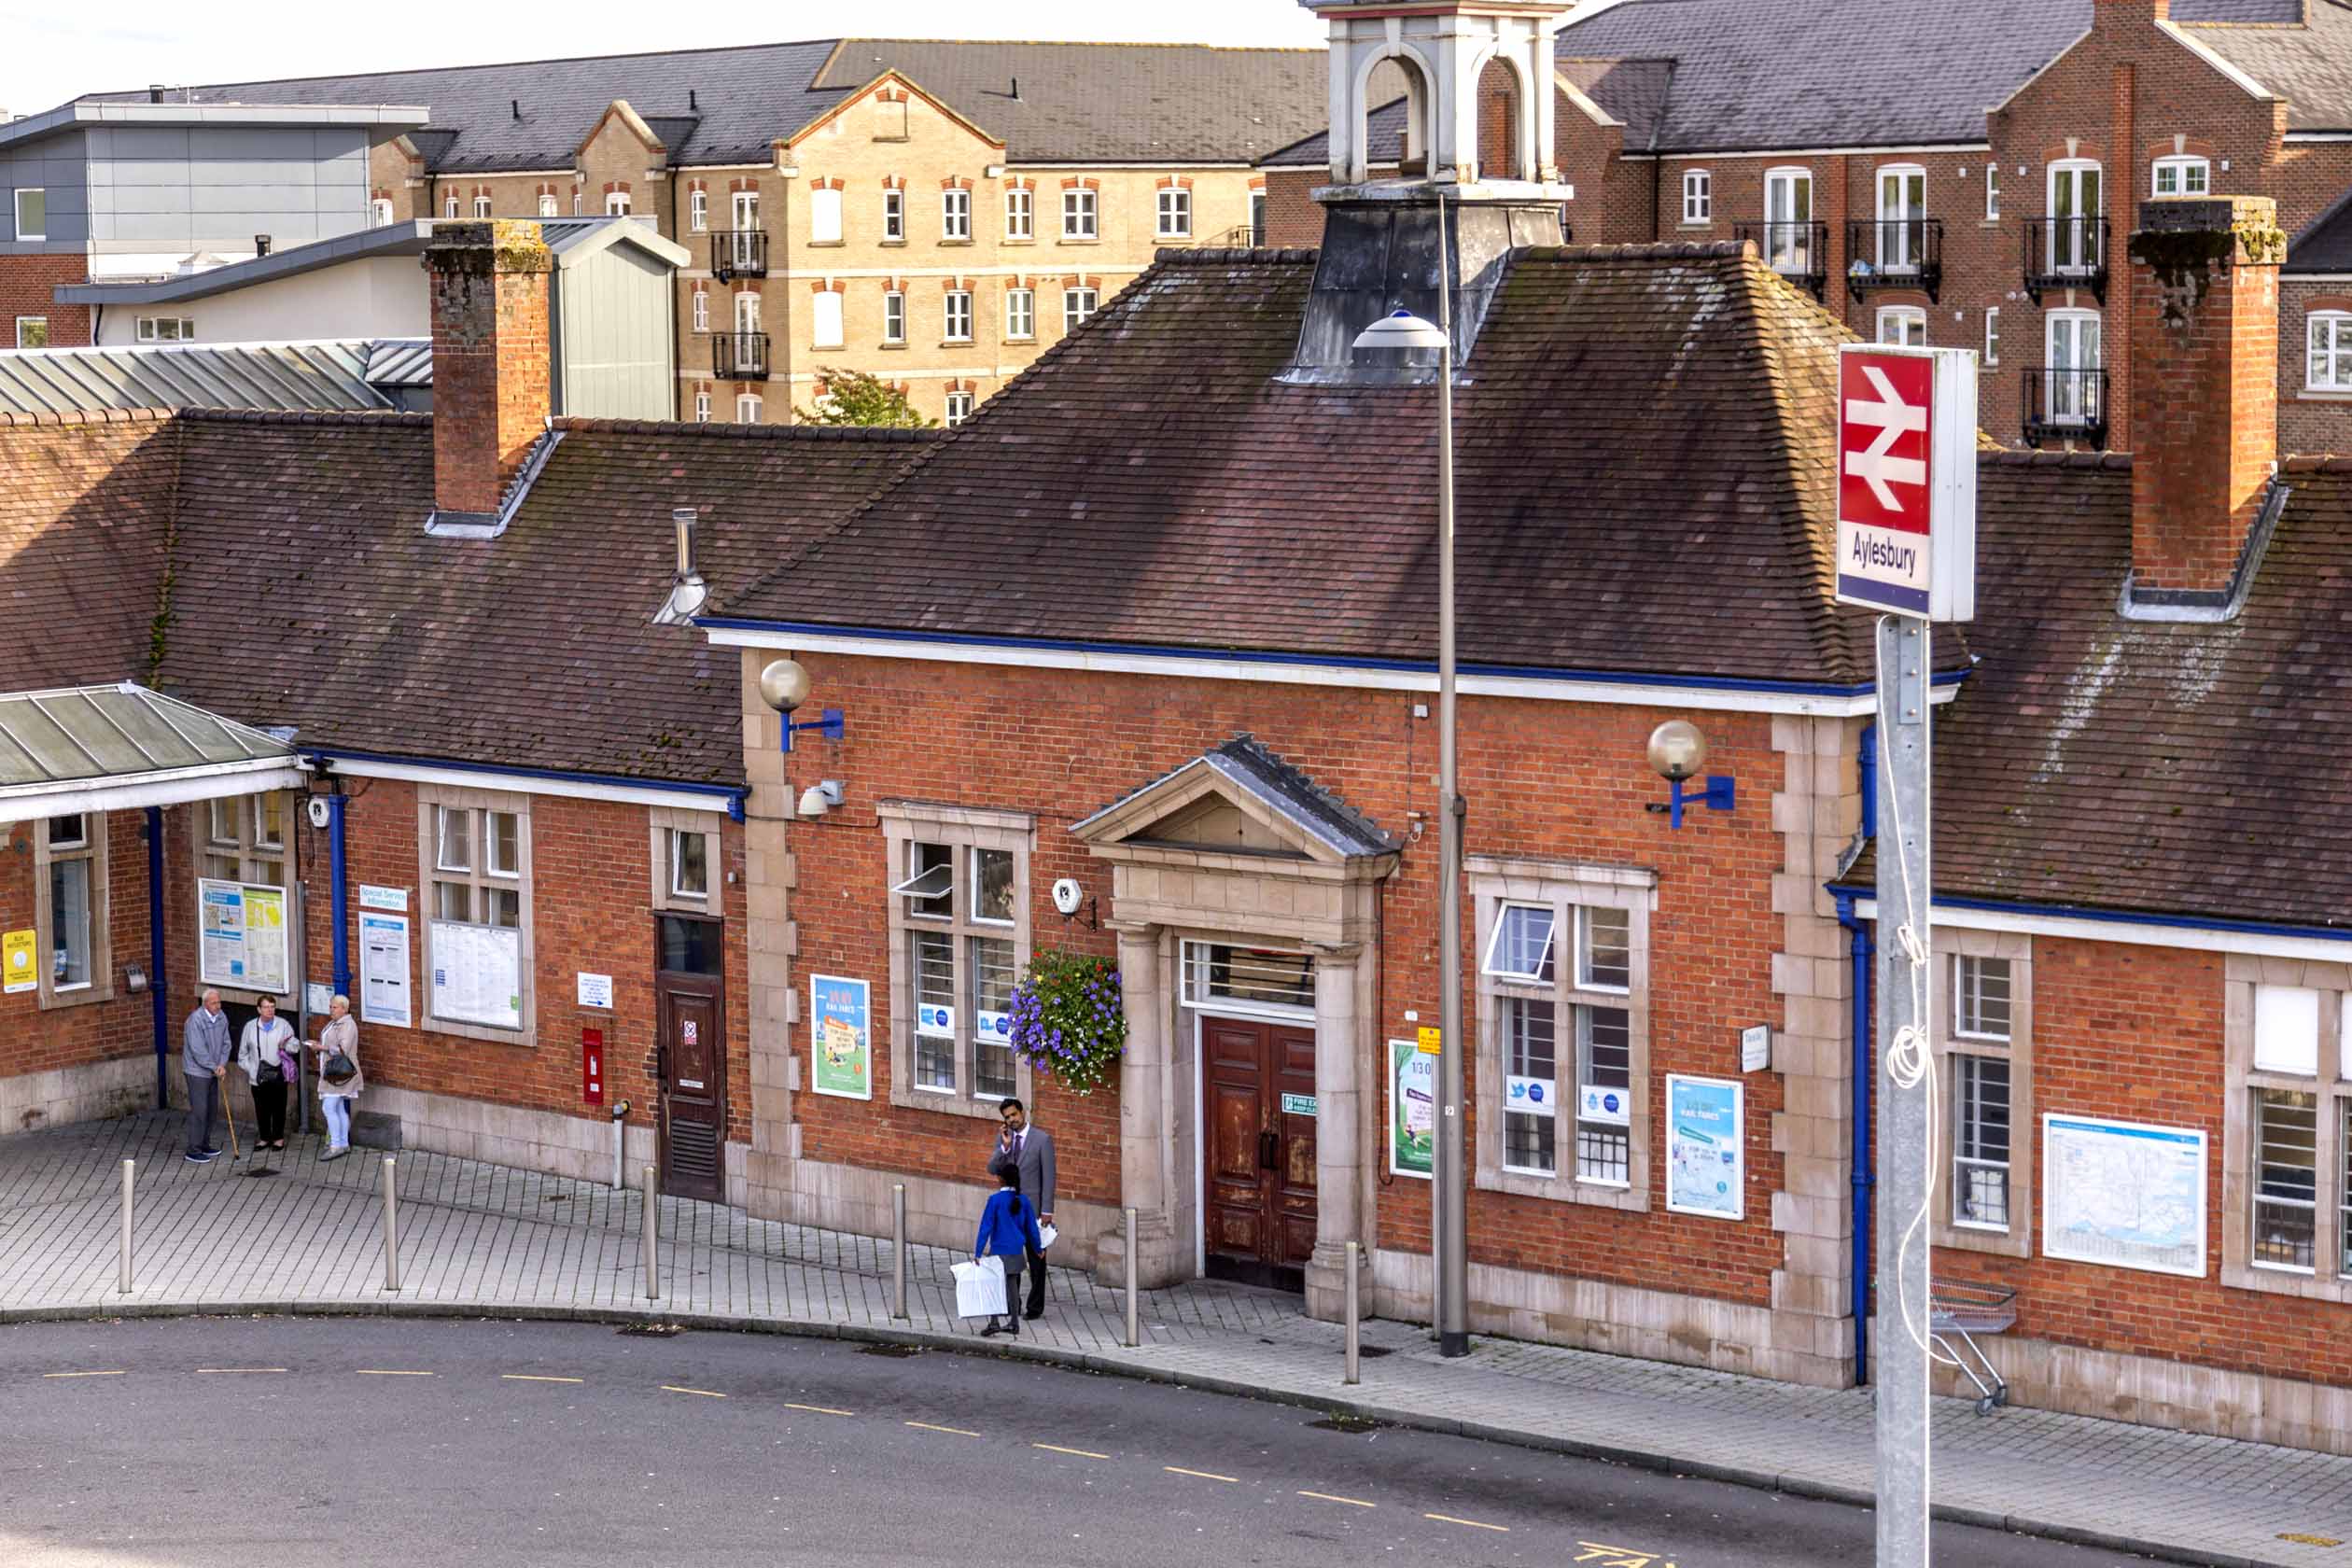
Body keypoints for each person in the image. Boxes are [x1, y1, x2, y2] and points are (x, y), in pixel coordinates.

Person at [987, 1097, 1056, 1322]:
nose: (1012, 1120)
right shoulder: (1004, 1139)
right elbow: (992, 1168)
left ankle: (1035, 1307)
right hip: (1010, 1209)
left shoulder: (1042, 1140)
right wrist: (1004, 1148)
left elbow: (1049, 1178)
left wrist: (1047, 1210)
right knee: (1011, 1257)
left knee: (1037, 1258)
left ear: (1022, 1112)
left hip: (1033, 1209)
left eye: (1014, 1115)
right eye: (1007, 1117)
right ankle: (1011, 1303)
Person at [971, 1161, 1042, 1338]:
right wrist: (1038, 1248)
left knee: (994, 1286)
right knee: (1012, 1286)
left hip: (999, 1250)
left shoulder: (995, 1200)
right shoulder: (1023, 1200)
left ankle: (994, 1322)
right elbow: (1032, 1228)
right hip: (1016, 1250)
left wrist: (978, 1252)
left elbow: (985, 1227)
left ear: (1000, 1179)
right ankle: (1014, 1323)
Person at [236, 995, 297, 1152]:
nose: (270, 1010)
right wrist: (252, 1070)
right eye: (266, 1007)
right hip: (258, 1076)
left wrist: (285, 1046)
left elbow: (295, 1047)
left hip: (278, 1074)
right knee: (261, 1108)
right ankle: (264, 1138)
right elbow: (242, 1055)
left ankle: (278, 1138)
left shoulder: (283, 1025)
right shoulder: (250, 1027)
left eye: (272, 1007)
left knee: (279, 1107)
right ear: (259, 1009)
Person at [308, 994, 364, 1160]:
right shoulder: (335, 1023)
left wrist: (321, 1047)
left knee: (329, 1107)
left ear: (344, 1009)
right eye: (330, 1006)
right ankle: (342, 1143)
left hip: (340, 1074)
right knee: (338, 1108)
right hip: (335, 1073)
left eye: (335, 1007)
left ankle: (336, 1146)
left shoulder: (348, 1025)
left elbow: (343, 1049)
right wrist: (319, 1047)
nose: (331, 1010)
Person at [181, 987, 231, 1164]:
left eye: (219, 1002)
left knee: (211, 1109)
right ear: (205, 1004)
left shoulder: (222, 1017)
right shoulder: (195, 1020)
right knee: (200, 1110)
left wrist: (222, 1064)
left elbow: (226, 1043)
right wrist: (214, 1066)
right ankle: (193, 1149)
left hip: (214, 1071)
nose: (218, 1006)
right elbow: (197, 1050)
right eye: (214, 1003)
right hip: (197, 1072)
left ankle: (204, 1144)